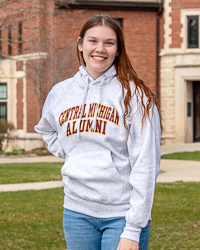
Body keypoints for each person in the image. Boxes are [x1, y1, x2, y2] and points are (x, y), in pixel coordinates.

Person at [34, 14, 163, 250]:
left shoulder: (136, 97)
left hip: (122, 215)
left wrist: (133, 228)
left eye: (109, 43)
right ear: (81, 44)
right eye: (93, 41)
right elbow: (47, 129)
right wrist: (71, 153)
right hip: (76, 212)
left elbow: (146, 165)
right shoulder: (61, 92)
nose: (100, 49)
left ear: (118, 49)